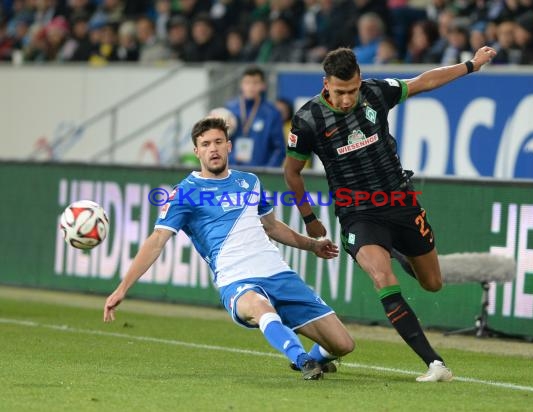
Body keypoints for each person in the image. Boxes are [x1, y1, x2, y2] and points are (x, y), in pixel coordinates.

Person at [284, 45, 497, 382]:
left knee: (432, 283)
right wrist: (310, 218)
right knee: (382, 277)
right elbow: (292, 172)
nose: (346, 99)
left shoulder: (376, 93)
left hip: (400, 202)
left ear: (360, 81)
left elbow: (425, 81)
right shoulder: (308, 119)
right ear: (326, 83)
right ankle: (434, 363)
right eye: (339, 92)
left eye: (352, 90)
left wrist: (471, 65)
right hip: (358, 214)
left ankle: (397, 251)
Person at [103, 117, 354, 380]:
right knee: (260, 307)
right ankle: (302, 359)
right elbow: (156, 241)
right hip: (236, 279)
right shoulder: (185, 193)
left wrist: (312, 245)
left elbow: (272, 227)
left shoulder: (250, 182)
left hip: (278, 273)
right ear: (196, 151)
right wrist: (122, 288)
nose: (213, 149)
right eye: (206, 144)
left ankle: (314, 358)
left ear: (229, 146)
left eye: (218, 142)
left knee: (343, 344)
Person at [225, 66, 286, 167]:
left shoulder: (272, 113)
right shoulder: (229, 110)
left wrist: (268, 172)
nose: (251, 87)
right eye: (247, 82)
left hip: (259, 173)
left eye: (255, 83)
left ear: (263, 86)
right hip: (232, 171)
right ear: (241, 85)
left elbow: (279, 148)